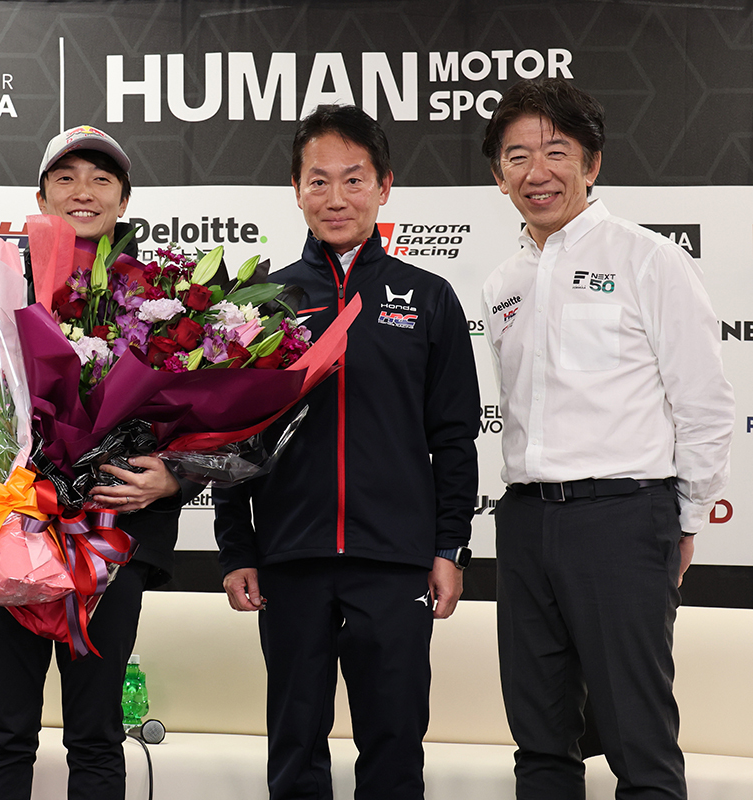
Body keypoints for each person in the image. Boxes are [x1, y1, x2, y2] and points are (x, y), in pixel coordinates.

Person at [0, 125, 192, 800]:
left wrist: (175, 476)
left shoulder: (164, 301)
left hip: (109, 547)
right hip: (8, 539)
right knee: (5, 733)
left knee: (96, 738)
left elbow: (199, 427)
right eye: (65, 178)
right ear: (40, 198)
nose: (83, 191)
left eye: (101, 178)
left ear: (124, 198)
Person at [213, 104, 480, 800]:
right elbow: (230, 437)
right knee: (295, 748)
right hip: (289, 559)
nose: (336, 198)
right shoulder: (260, 302)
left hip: (394, 561)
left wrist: (449, 547)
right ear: (295, 189)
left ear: (384, 186)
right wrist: (237, 549)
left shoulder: (428, 298)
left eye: (354, 179)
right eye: (319, 180)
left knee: (393, 748)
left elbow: (454, 437)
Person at [480, 77, 734, 800]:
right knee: (540, 741)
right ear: (498, 175)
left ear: (592, 163)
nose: (538, 171)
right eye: (518, 156)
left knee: (638, 746)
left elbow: (704, 402)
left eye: (557, 151)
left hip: (622, 519)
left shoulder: (649, 258)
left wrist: (684, 519)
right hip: (524, 522)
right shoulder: (502, 282)